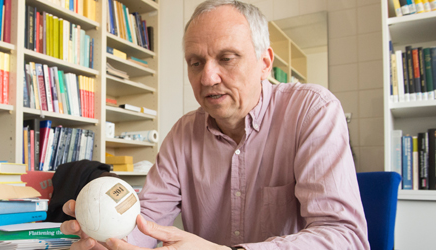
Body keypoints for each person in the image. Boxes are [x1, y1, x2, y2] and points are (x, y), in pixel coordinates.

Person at [61, 0, 369, 249]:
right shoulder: (183, 133)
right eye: (196, 62)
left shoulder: (312, 110)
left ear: (264, 63)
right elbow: (148, 220)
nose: (207, 78)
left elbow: (345, 237)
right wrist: (109, 235)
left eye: (227, 58)